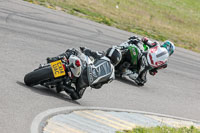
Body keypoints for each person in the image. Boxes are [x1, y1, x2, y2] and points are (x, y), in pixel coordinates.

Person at [47, 47, 122, 99]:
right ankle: (64, 86)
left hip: (84, 70)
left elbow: (89, 52)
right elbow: (97, 86)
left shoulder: (102, 55)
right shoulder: (112, 76)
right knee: (77, 96)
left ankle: (54, 60)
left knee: (72, 51)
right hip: (84, 83)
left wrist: (84, 49)